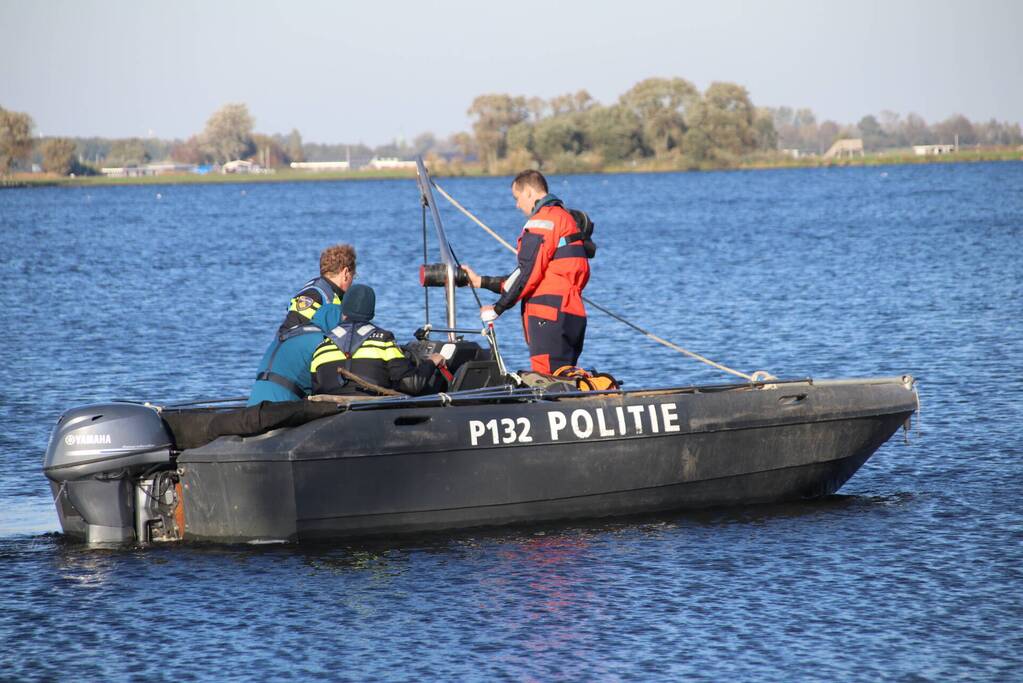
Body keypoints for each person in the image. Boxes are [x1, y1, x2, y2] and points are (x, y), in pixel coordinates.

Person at [463, 170, 590, 374]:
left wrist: (497, 309)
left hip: (548, 313)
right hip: (572, 312)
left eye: (517, 197)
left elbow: (527, 274)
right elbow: (531, 274)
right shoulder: (565, 217)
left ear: (530, 192)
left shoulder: (542, 221)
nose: (517, 205)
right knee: (566, 377)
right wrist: (480, 281)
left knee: (548, 380)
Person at [248, 244, 356, 405]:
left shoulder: (318, 290)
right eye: (355, 276)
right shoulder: (316, 295)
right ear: (346, 272)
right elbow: (294, 329)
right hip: (297, 363)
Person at [310, 284, 446, 396]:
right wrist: (431, 362)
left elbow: (316, 390)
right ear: (371, 313)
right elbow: (413, 384)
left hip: (331, 416)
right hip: (371, 415)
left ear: (343, 310)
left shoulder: (321, 348)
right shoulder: (384, 341)